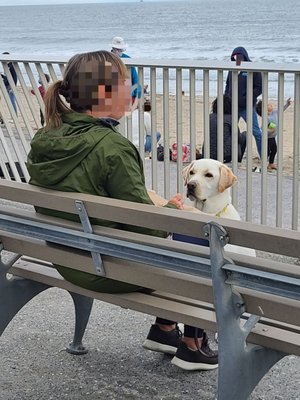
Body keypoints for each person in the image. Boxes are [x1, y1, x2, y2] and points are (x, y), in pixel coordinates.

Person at [26, 50, 217, 371]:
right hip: (108, 271)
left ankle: (165, 329)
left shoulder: (45, 138)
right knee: (200, 235)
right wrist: (171, 207)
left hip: (66, 259)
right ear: (104, 94)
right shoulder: (112, 147)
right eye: (127, 83)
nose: (133, 90)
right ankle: (192, 343)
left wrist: (147, 201)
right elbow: (148, 230)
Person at [225, 46, 262, 158]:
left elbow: (259, 88)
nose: (237, 59)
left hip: (247, 107)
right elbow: (228, 84)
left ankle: (264, 157)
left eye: (239, 57)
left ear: (244, 56)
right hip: (232, 106)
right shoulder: (232, 69)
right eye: (235, 57)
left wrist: (246, 97)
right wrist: (227, 96)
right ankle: (230, 154)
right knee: (228, 130)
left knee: (256, 132)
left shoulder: (253, 69)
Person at [201, 94, 246, 163]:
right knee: (244, 135)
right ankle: (237, 161)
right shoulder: (230, 118)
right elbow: (238, 137)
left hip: (207, 154)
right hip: (225, 156)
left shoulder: (210, 117)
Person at [255, 97, 292, 170]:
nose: (270, 105)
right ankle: (267, 163)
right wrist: (270, 131)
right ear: (264, 110)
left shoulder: (274, 112)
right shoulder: (266, 118)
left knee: (274, 150)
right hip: (267, 138)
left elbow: (282, 109)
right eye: (268, 105)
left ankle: (270, 163)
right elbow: (263, 129)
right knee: (268, 151)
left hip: (272, 137)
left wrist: (287, 104)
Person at [110, 36, 141, 103]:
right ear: (113, 49)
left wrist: (138, 94)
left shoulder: (128, 59)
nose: (120, 51)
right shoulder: (106, 58)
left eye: (121, 50)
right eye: (119, 50)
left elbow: (135, 78)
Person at [1, 52, 18, 116]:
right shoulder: (7, 65)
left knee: (12, 101)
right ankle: (13, 116)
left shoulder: (11, 65)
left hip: (10, 86)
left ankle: (15, 116)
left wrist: (13, 87)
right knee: (10, 102)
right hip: (7, 85)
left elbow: (15, 77)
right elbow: (7, 76)